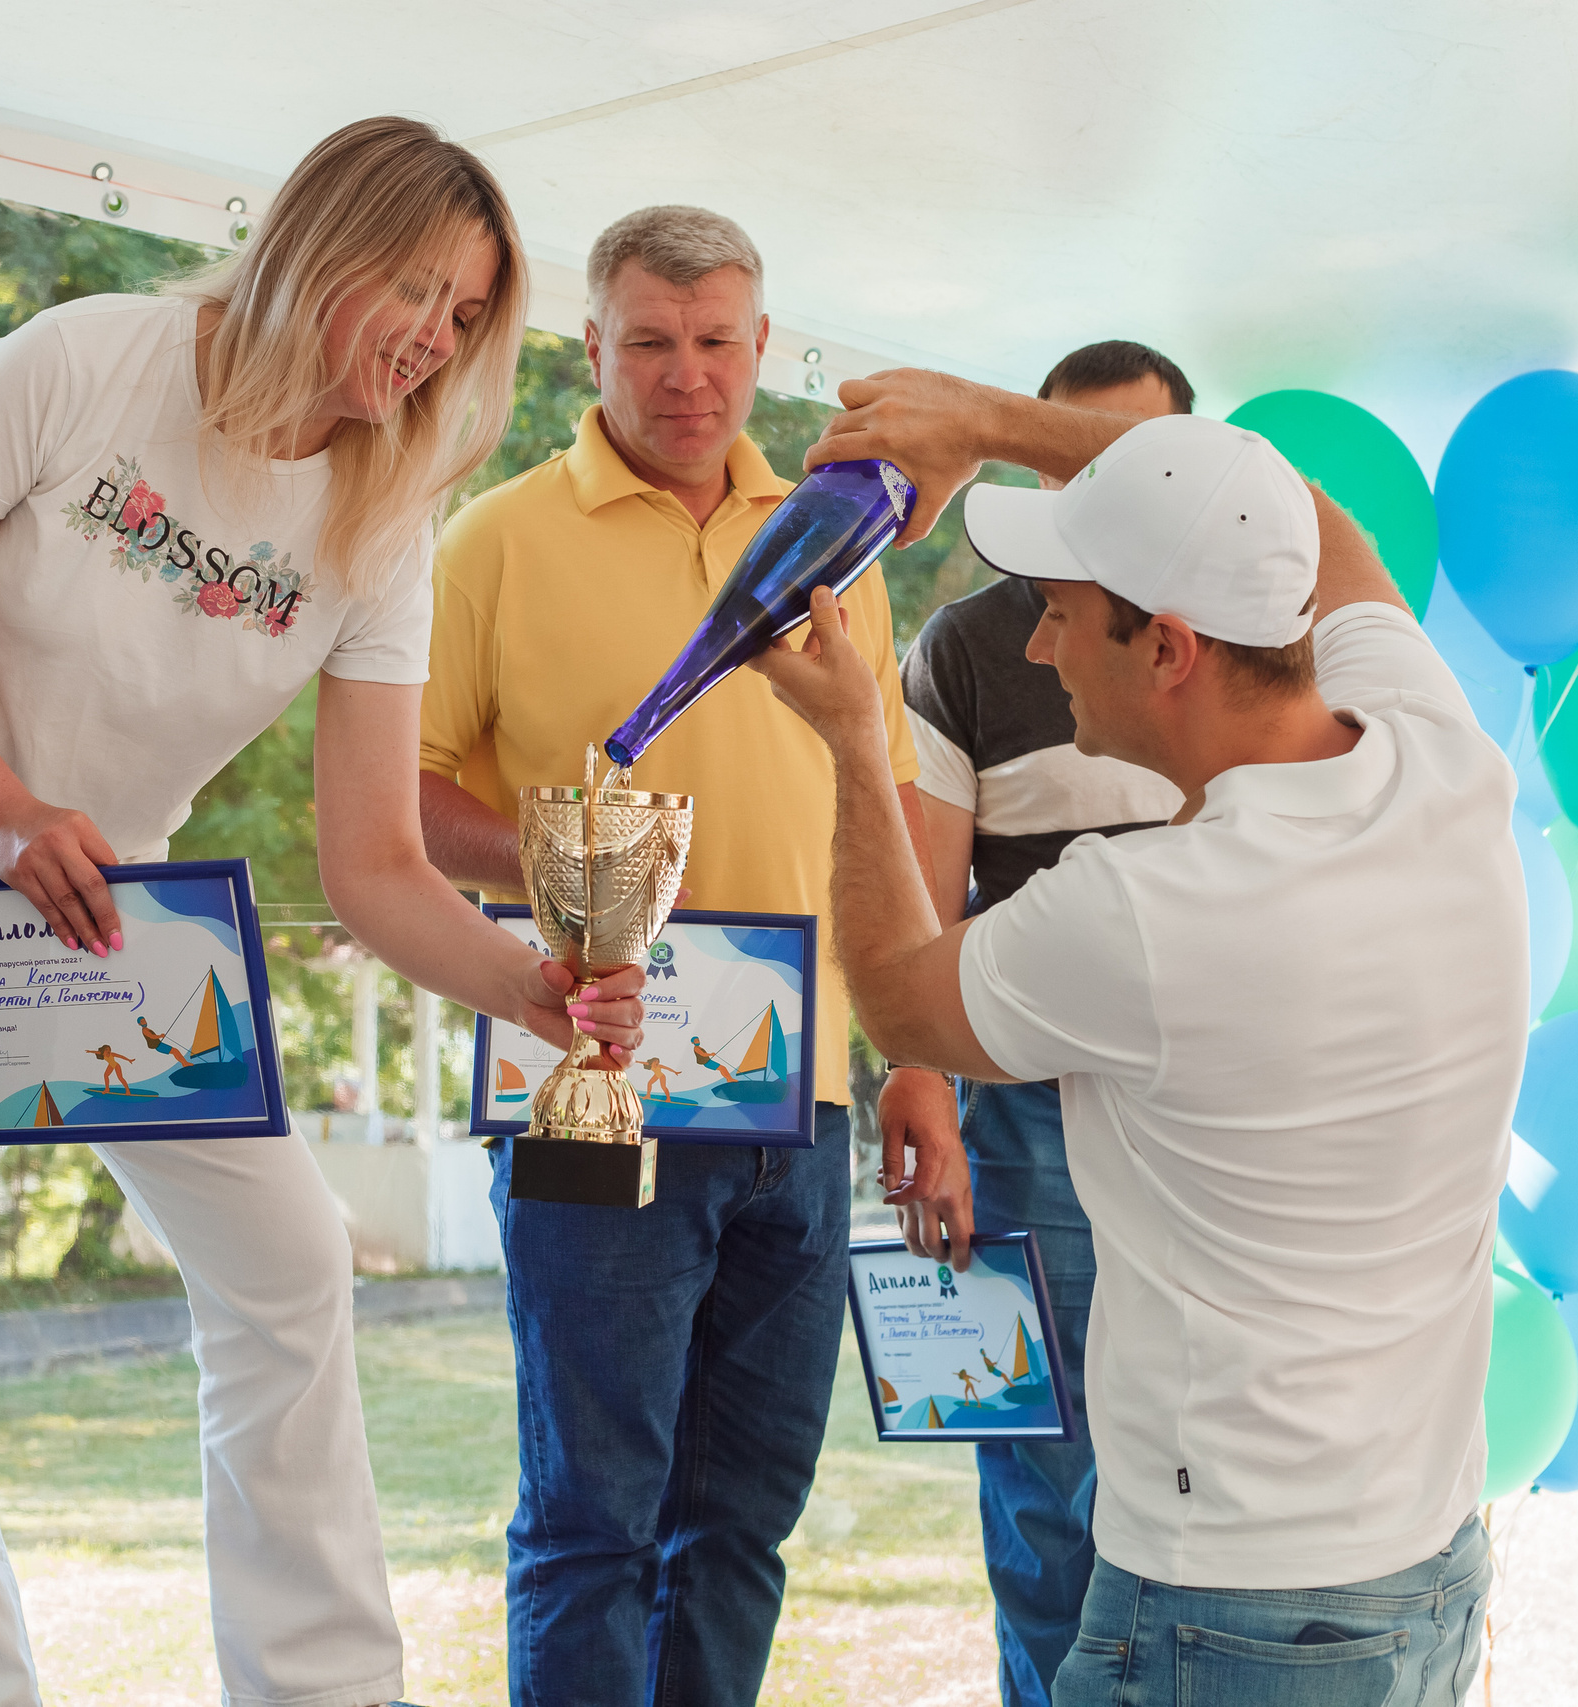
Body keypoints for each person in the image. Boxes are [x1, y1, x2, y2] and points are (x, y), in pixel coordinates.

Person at [0, 116, 628, 1707]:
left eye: (470, 313)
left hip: (107, 911)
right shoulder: (86, 362)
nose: (436, 336)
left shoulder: (386, 515)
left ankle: (324, 1686)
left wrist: (531, 989)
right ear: (319, 245)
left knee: (287, 1258)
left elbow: (371, 863)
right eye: (416, 287)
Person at [750, 378, 1523, 1704]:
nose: (1038, 653)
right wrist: (989, 427)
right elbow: (1312, 517)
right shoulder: (1443, 759)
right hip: (1427, 1564)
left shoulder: (1148, 911)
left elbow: (898, 994)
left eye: (1059, 616)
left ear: (1168, 650)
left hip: (1228, 1604)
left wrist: (849, 739)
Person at [414, 204, 955, 1706]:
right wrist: (573, 859)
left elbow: (889, 804)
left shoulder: (841, 544)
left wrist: (920, 1060)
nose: (687, 376)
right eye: (648, 341)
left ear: (763, 347)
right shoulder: (495, 539)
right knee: (594, 1520)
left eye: (717, 341)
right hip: (593, 1081)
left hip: (807, 1100)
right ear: (590, 347)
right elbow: (400, 790)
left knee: (743, 1528)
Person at [893, 340, 1191, 1707]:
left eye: (1136, 461)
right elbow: (918, 897)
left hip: (1204, 1114)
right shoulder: (964, 644)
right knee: (1044, 1476)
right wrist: (922, 1090)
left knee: (1198, 1462)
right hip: (1025, 1120)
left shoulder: (1248, 641)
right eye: (1076, 455)